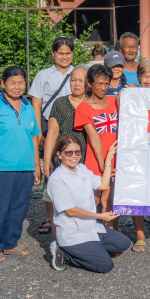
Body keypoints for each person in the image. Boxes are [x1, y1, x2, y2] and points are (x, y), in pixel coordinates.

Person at [0, 66, 40, 263]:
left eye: (21, 82)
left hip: (26, 167)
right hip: (1, 168)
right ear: (3, 84)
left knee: (19, 209)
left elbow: (33, 137)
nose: (17, 86)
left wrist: (36, 166)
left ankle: (10, 243)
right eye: (12, 82)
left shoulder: (27, 106)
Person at [46, 134, 128, 273]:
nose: (74, 156)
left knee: (123, 243)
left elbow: (102, 185)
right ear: (59, 155)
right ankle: (64, 252)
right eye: (68, 152)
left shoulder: (82, 169)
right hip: (73, 234)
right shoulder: (57, 179)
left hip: (91, 227)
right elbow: (70, 211)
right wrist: (101, 215)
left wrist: (108, 159)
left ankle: (93, 250)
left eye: (77, 152)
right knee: (105, 266)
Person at [40, 66, 89, 239]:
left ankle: (83, 234)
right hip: (63, 159)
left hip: (85, 160)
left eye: (81, 81)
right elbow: (52, 132)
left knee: (83, 198)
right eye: (73, 80)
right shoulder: (60, 103)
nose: (76, 84)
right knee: (59, 200)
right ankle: (59, 239)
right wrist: (47, 161)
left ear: (88, 83)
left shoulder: (92, 102)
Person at [74, 65, 119, 221]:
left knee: (110, 200)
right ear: (89, 83)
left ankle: (112, 233)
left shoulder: (115, 101)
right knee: (94, 199)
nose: (103, 88)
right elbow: (93, 137)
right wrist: (102, 163)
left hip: (116, 158)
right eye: (99, 83)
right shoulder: (83, 108)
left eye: (106, 84)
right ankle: (91, 231)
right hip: (96, 159)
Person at [29, 37, 74, 136]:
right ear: (53, 53)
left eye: (68, 53)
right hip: (48, 124)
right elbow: (36, 106)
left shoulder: (79, 74)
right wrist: (39, 134)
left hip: (74, 125)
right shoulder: (43, 75)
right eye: (60, 53)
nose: (64, 57)